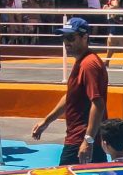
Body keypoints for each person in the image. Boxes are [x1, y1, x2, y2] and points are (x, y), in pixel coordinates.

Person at [30, 16, 109, 166]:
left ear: (85, 37)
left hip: (80, 139)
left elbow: (98, 103)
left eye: (71, 37)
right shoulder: (81, 62)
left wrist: (88, 140)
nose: (66, 42)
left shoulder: (88, 65)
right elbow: (71, 96)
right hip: (81, 137)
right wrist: (46, 121)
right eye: (64, 37)